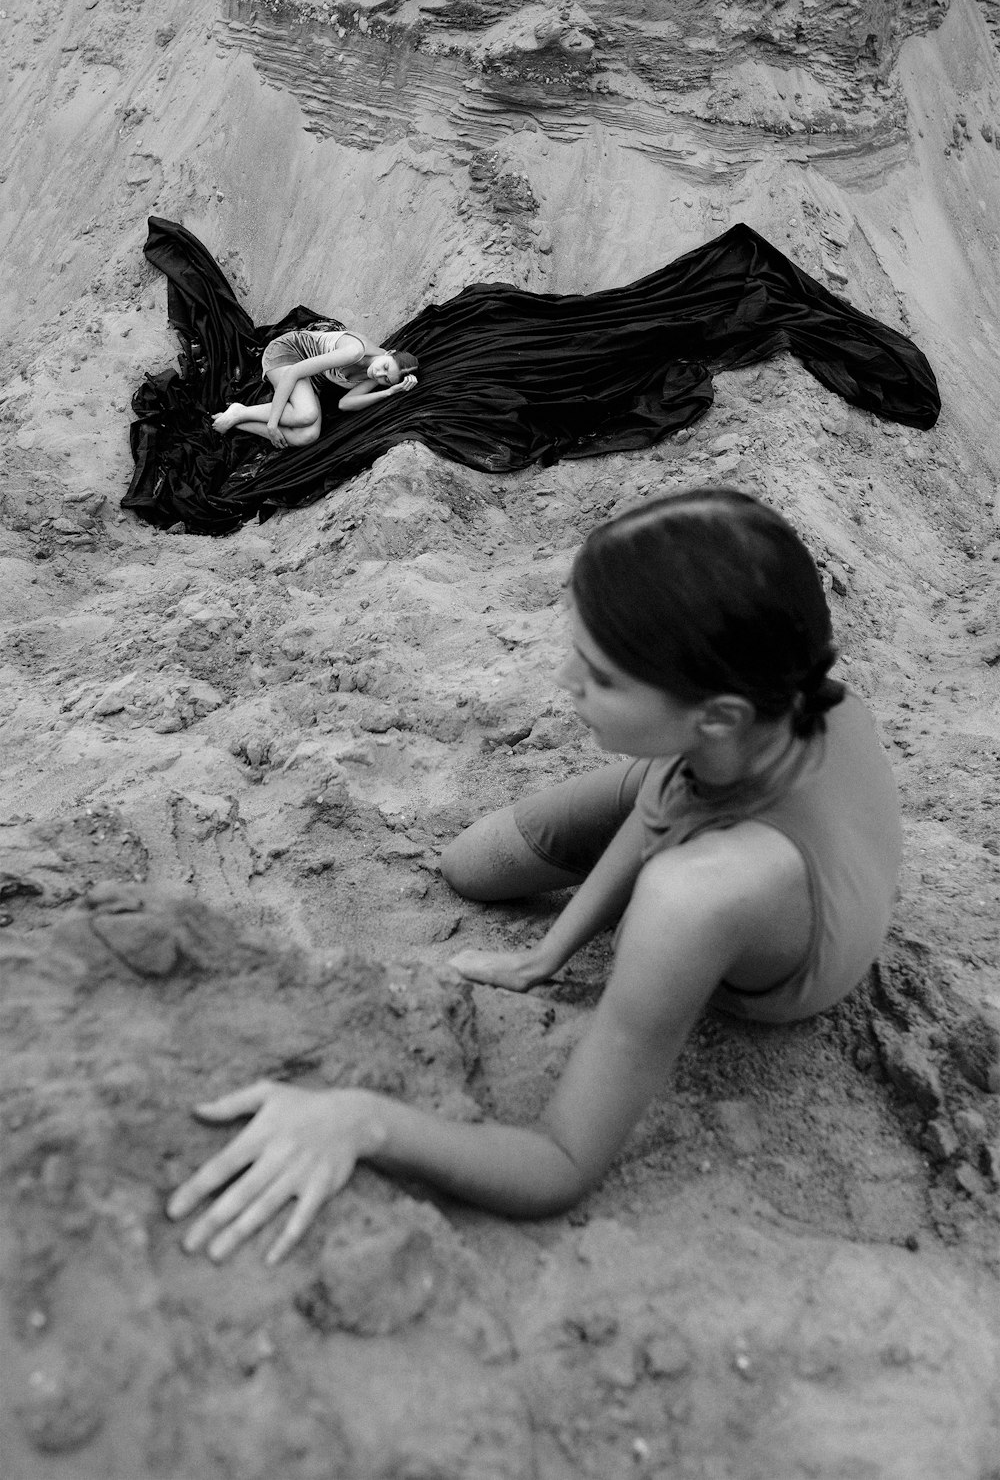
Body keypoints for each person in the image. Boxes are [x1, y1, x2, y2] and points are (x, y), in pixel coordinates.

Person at [167, 487, 902, 1265]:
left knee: (631, 877)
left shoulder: (696, 893)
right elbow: (668, 796)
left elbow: (559, 1164)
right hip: (723, 786)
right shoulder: (784, 695)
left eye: (601, 679)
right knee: (472, 865)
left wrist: (361, 1120)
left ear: (715, 714)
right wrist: (549, 951)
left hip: (773, 897)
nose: (562, 683)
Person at [210, 322, 419, 449]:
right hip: (288, 354)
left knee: (307, 436)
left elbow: (346, 404)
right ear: (389, 353)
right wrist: (272, 425)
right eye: (384, 367)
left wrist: (390, 392)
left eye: (386, 379)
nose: (379, 373)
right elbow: (294, 372)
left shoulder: (375, 376)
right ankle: (240, 412)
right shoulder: (355, 351)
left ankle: (237, 420)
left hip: (308, 378)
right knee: (307, 415)